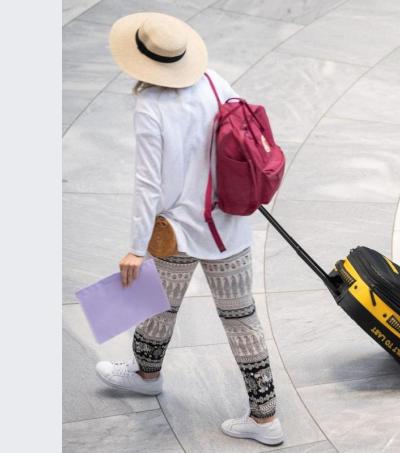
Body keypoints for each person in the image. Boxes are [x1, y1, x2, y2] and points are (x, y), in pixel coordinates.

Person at [94, 12, 283, 446]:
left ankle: (146, 374)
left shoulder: (150, 106)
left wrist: (136, 247)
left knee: (157, 302)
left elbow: (148, 183)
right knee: (241, 319)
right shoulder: (215, 82)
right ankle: (265, 418)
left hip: (178, 230)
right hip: (230, 225)